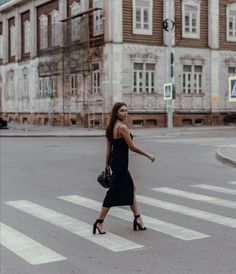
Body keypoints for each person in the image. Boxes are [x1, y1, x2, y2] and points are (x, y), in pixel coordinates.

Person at [93, 102, 155, 234]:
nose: (125, 113)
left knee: (131, 189)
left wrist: (106, 165)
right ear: (116, 112)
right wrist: (148, 154)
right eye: (122, 111)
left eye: (126, 111)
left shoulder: (110, 128)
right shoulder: (122, 128)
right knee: (113, 193)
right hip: (120, 164)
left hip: (115, 162)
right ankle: (99, 222)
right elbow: (132, 147)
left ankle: (137, 218)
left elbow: (109, 149)